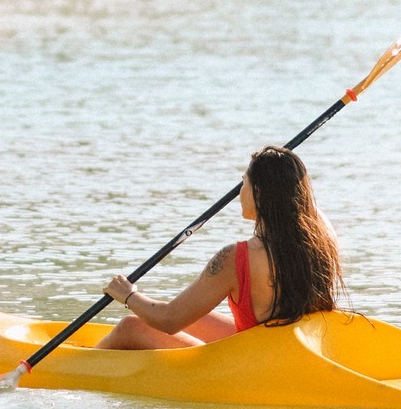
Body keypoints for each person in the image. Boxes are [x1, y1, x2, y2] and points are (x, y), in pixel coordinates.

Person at [97, 144, 342, 351]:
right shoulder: (324, 237)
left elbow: (169, 320)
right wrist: (284, 170)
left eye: (243, 183)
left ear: (259, 192)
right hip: (295, 349)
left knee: (130, 327)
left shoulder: (236, 257)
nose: (239, 193)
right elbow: (303, 204)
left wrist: (128, 294)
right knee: (195, 318)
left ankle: (72, 364)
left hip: (255, 364)